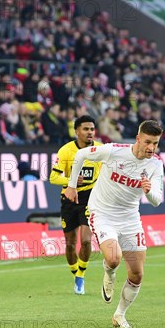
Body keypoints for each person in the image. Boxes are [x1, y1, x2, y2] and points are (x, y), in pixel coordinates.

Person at [64, 120, 164, 328]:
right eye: (147, 142)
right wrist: (72, 186)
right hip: (102, 213)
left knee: (137, 273)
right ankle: (109, 273)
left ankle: (119, 315)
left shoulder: (155, 165)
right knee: (113, 257)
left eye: (155, 144)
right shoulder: (113, 151)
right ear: (138, 138)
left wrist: (149, 191)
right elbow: (81, 155)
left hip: (130, 218)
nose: (151, 148)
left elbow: (157, 200)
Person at [49, 115, 102, 295]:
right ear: (77, 131)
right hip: (70, 197)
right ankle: (75, 275)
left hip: (90, 197)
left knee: (86, 240)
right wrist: (71, 180)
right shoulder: (65, 151)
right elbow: (53, 177)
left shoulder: (101, 149)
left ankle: (81, 274)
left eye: (92, 129)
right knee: (70, 244)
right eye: (86, 129)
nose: (90, 132)